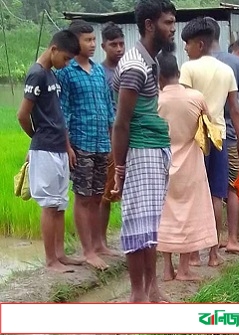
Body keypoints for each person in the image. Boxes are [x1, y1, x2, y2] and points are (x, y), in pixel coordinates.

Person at [110, 0, 176, 303]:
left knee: (150, 224)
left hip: (154, 149)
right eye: (167, 23)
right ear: (150, 25)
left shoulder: (151, 61)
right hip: (140, 152)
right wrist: (119, 171)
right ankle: (138, 295)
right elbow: (121, 124)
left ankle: (152, 289)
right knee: (138, 223)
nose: (172, 29)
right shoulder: (136, 66)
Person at [179, 17, 239, 267]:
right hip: (219, 136)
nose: (185, 49)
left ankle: (190, 255)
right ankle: (212, 254)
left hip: (195, 138)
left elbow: (184, 105)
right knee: (216, 194)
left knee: (192, 194)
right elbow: (236, 112)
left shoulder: (189, 69)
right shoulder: (227, 71)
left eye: (187, 44)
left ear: (199, 44)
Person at [17, 30, 81, 273]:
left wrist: (66, 146)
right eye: (65, 58)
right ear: (53, 49)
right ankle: (50, 259)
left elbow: (58, 115)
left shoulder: (51, 75)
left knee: (60, 203)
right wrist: (36, 139)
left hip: (59, 148)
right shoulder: (36, 75)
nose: (66, 64)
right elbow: (22, 115)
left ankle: (60, 254)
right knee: (48, 204)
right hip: (44, 148)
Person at [55, 20, 114, 270]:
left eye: (93, 40)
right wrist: (68, 146)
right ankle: (88, 250)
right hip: (81, 143)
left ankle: (99, 244)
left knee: (97, 196)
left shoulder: (99, 71)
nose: (92, 45)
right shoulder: (66, 72)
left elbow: (109, 108)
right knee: (82, 196)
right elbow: (63, 112)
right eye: (87, 40)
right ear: (74, 41)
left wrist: (112, 142)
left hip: (102, 143)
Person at [156, 52, 217, 282]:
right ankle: (184, 269)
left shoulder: (155, 101)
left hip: (163, 161)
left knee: (166, 214)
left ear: (158, 76)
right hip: (191, 161)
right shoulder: (196, 97)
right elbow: (208, 128)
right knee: (188, 213)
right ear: (179, 74)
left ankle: (166, 269)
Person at [205, 18, 239, 257]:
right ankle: (231, 238)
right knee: (231, 187)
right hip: (229, 134)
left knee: (205, 190)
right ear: (219, 35)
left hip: (202, 134)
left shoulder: (194, 62)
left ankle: (203, 244)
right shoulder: (235, 63)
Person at [98, 22, 125, 254]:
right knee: (105, 194)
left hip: (130, 136)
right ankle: (101, 242)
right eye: (113, 45)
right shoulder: (100, 73)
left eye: (121, 44)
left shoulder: (128, 69)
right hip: (109, 140)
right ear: (103, 46)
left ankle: (131, 238)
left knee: (131, 191)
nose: (118, 48)